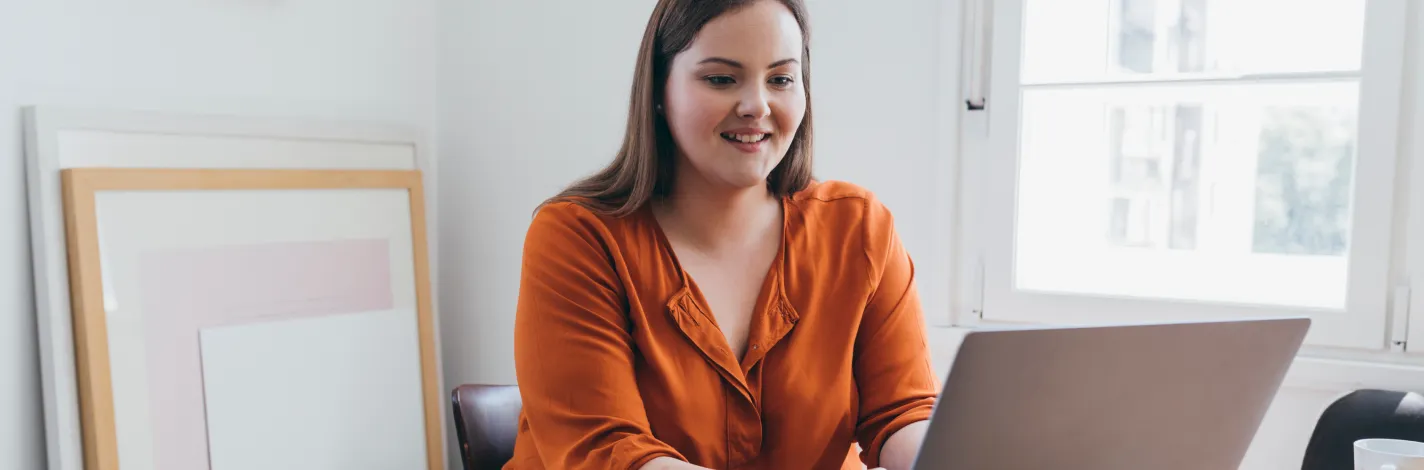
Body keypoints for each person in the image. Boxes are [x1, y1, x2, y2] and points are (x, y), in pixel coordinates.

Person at [510, 0, 938, 468]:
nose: (757, 105)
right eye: (720, 79)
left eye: (780, 79)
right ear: (659, 89)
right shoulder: (577, 236)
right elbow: (607, 450)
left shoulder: (860, 228)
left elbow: (903, 411)